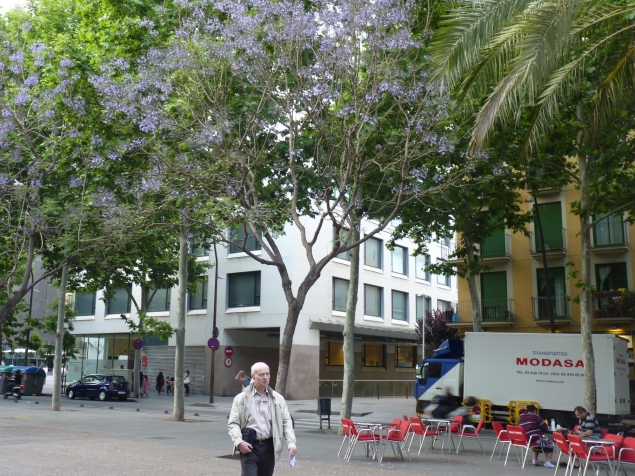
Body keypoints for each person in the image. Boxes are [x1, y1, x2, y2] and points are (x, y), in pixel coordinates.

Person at [228, 362, 297, 476]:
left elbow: (286, 422)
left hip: (269, 447)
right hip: (249, 445)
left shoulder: (278, 399)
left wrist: (291, 443)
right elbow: (233, 423)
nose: (265, 377)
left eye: (267, 374)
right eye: (261, 375)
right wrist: (239, 442)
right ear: (253, 376)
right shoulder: (241, 399)